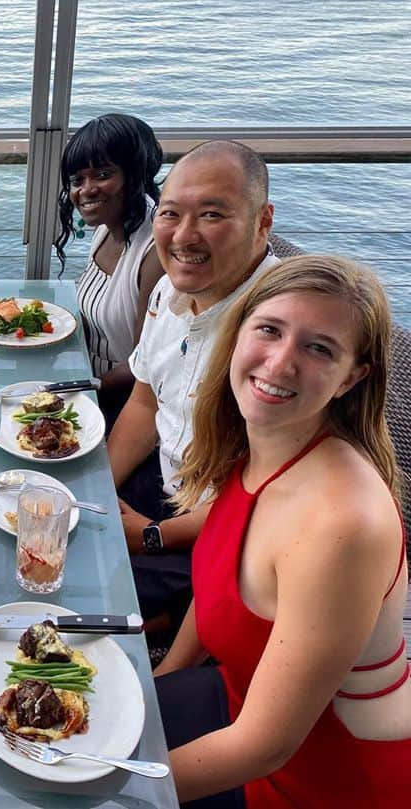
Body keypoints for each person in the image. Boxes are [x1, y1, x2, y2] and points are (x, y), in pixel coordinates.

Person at [154, 256, 411, 807]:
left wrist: (105, 792)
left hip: (313, 778)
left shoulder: (342, 524)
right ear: (238, 329)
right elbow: (219, 580)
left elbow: (264, 747)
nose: (280, 362)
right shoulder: (260, 447)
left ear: (352, 377)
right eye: (270, 329)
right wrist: (166, 682)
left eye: (319, 348)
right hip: (237, 700)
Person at [108, 140, 280, 624]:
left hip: (222, 537)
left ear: (262, 221)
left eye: (211, 215)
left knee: (70, 601)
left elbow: (268, 498)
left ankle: (172, 619)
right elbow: (145, 403)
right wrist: (98, 487)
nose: (184, 236)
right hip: (163, 478)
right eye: (170, 214)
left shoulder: (282, 334)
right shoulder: (171, 287)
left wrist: (152, 536)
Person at [52, 113, 165, 424]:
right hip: (84, 373)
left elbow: (144, 363)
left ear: (135, 174)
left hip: (121, 403)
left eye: (102, 174)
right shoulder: (107, 228)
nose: (86, 191)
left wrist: (78, 391)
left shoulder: (156, 252)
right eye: (77, 180)